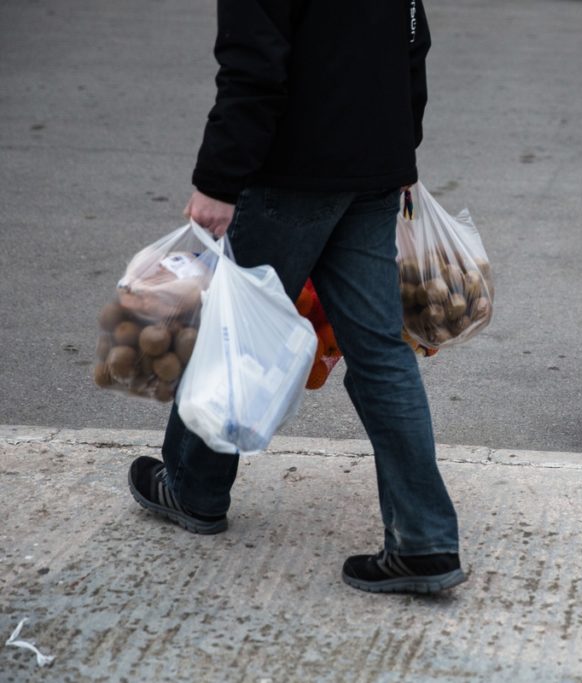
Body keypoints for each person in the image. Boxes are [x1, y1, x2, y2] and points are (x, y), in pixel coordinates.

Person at [127, 0, 465, 595]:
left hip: (291, 177)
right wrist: (400, 149)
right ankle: (425, 542)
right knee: (382, 354)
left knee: (232, 332)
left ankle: (194, 489)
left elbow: (253, 68)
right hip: (374, 172)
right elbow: (413, 42)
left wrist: (217, 181)